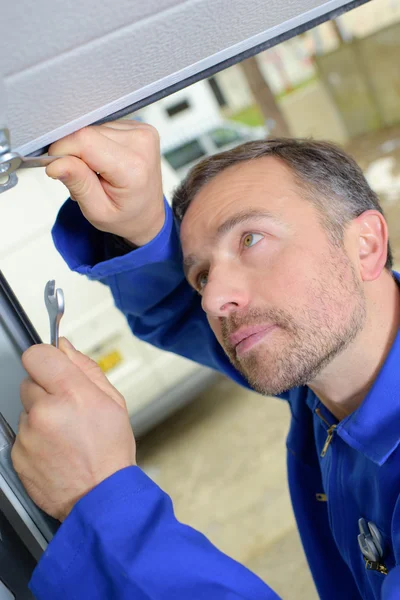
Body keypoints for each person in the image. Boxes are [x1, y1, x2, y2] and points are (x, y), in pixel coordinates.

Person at [11, 121, 400, 600]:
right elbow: (177, 306)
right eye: (201, 276)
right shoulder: (328, 377)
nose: (213, 298)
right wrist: (139, 227)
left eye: (250, 239)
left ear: (365, 244)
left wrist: (101, 503)